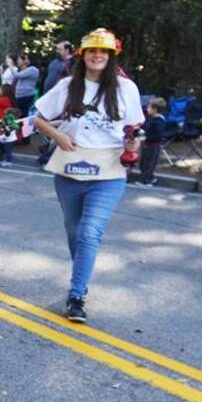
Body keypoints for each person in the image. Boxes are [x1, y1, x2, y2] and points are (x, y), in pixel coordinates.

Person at [33, 28, 142, 323]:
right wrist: (58, 136)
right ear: (83, 56)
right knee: (74, 231)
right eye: (92, 51)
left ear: (111, 56)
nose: (97, 55)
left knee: (88, 232)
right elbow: (38, 117)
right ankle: (82, 272)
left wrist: (133, 144)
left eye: (104, 51)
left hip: (108, 171)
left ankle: (77, 295)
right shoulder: (69, 86)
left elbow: (134, 129)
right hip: (70, 167)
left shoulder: (125, 89)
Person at [137, 97, 167, 187]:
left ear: (155, 109)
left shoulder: (159, 121)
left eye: (149, 108)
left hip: (153, 145)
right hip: (148, 144)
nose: (147, 109)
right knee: (143, 162)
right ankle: (149, 178)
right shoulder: (152, 119)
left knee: (149, 163)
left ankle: (147, 180)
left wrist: (146, 138)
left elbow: (158, 135)